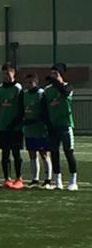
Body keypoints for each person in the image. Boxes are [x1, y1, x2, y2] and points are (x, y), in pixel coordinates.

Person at [43, 62, 79, 191]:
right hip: (53, 125)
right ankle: (57, 181)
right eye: (51, 73)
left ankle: (73, 181)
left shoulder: (68, 87)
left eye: (55, 73)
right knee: (54, 152)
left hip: (65, 124)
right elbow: (45, 108)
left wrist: (57, 82)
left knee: (68, 152)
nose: (52, 76)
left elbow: (65, 92)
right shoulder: (48, 90)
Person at [0, 62, 24, 189]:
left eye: (8, 73)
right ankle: (7, 179)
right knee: (5, 154)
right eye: (4, 74)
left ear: (13, 73)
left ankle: (19, 178)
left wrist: (15, 123)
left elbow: (21, 109)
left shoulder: (18, 89)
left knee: (16, 153)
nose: (6, 76)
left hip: (15, 128)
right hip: (3, 127)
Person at [21, 72, 52, 189]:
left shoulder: (41, 94)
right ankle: (35, 179)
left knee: (44, 153)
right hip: (29, 130)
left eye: (30, 82)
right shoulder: (24, 94)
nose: (28, 85)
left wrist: (37, 120)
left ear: (36, 82)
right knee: (32, 153)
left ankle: (48, 179)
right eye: (26, 83)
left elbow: (45, 111)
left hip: (41, 129)